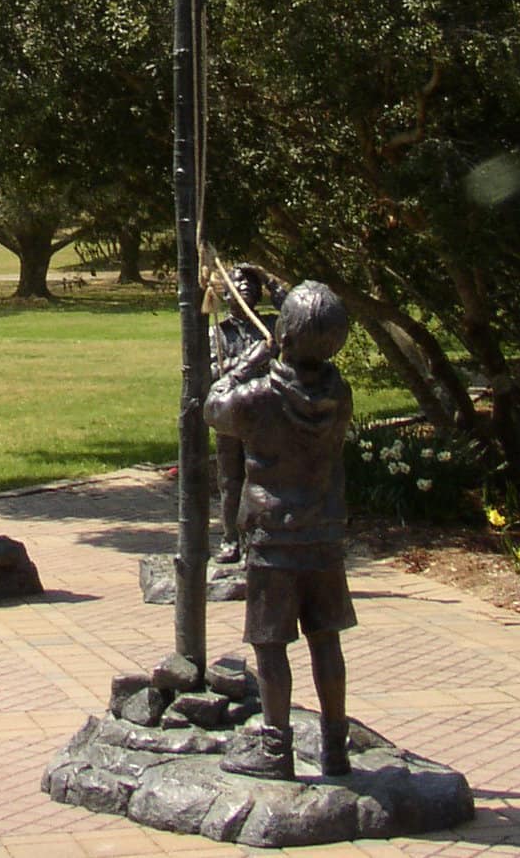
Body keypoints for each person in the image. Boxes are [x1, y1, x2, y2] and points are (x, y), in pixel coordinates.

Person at [203, 280, 355, 780]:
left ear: (283, 334)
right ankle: (335, 746)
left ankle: (275, 747)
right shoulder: (339, 392)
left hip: (274, 536)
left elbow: (215, 406)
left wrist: (250, 359)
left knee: (271, 645)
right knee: (325, 637)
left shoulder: (260, 396)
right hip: (324, 533)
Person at [208, 263, 285, 565]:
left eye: (253, 284)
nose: (247, 287)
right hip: (232, 416)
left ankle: (260, 537)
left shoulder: (269, 326)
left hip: (267, 414)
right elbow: (216, 374)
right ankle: (230, 539)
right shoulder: (218, 332)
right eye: (239, 283)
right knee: (231, 481)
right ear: (225, 292)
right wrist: (254, 360)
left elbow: (296, 314)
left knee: (265, 478)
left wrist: (269, 279)